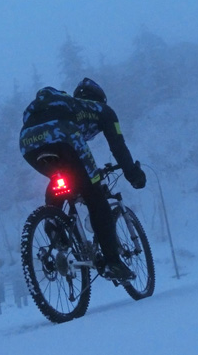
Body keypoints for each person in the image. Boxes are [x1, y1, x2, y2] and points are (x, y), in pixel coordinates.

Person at [19, 78, 146, 281]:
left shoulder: (69, 106)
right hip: (64, 136)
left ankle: (53, 223)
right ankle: (113, 263)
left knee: (60, 177)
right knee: (96, 198)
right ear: (100, 99)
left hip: (28, 141)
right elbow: (118, 146)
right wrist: (133, 174)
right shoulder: (103, 110)